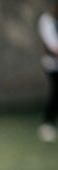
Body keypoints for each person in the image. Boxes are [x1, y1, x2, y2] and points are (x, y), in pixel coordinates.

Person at [38, 5, 58, 142]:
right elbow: (52, 45)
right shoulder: (47, 20)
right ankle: (47, 124)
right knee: (56, 92)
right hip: (53, 65)